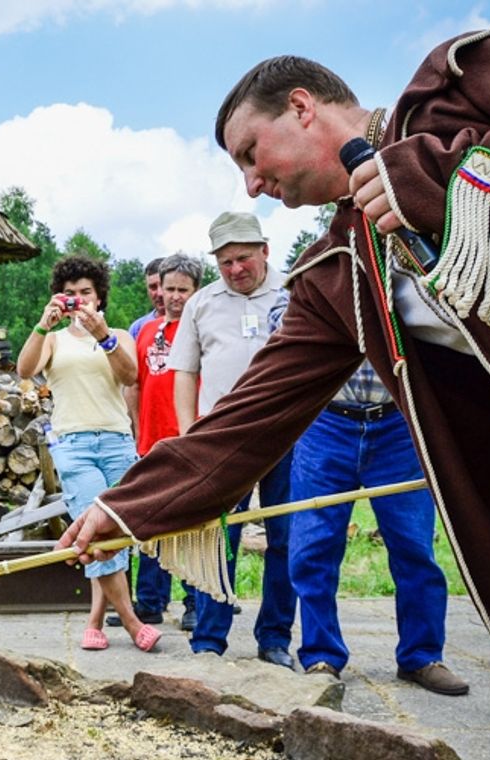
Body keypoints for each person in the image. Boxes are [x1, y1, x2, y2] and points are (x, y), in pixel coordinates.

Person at [58, 22, 490, 759]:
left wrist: (442, 180)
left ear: (302, 107)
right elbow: (246, 420)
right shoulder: (338, 273)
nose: (252, 185)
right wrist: (126, 507)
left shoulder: (458, 85)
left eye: (250, 154)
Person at [290, 361, 467, 695]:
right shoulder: (303, 303)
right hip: (325, 422)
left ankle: (422, 656)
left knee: (415, 548)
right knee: (312, 550)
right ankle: (321, 656)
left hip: (397, 423)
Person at [16, 254, 161, 653]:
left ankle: (95, 620)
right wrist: (43, 324)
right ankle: (132, 624)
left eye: (85, 294)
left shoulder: (118, 335)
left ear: (99, 298)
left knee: (117, 532)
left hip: (116, 441)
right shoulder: (52, 339)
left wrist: (103, 337)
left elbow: (130, 376)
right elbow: (24, 370)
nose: (77, 301)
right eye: (69, 294)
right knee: (94, 530)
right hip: (74, 444)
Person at [168, 211, 295, 665]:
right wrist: (188, 434)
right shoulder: (202, 303)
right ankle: (208, 639)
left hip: (288, 432)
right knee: (218, 537)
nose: (236, 269)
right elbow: (185, 371)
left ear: (265, 250)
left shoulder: (295, 291)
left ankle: (275, 638)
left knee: (286, 536)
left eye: (243, 258)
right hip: (220, 437)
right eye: (225, 262)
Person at [116, 253, 203, 631]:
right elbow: (134, 383)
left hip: (191, 438)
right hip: (150, 440)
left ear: (196, 291)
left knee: (193, 525)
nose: (175, 296)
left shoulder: (201, 328)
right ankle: (150, 601)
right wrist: (136, 429)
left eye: (183, 290)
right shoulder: (146, 332)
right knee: (149, 522)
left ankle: (196, 601)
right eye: (169, 288)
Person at [127, 257, 165, 339]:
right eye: (153, 287)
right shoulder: (137, 329)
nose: (159, 293)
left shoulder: (188, 323)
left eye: (163, 285)